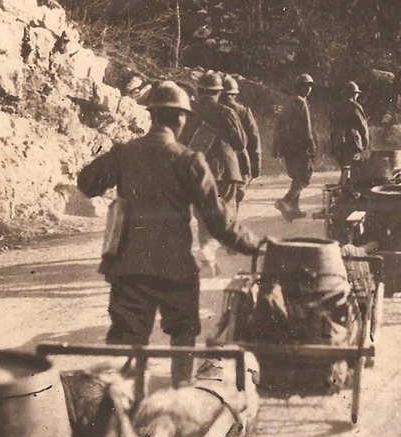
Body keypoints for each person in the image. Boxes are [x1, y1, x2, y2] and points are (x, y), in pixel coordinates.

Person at [77, 82, 262, 386]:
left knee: (129, 341)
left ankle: (128, 402)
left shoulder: (125, 153)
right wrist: (255, 244)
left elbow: (87, 183)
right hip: (174, 269)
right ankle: (180, 392)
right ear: (179, 118)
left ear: (152, 115)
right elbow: (218, 223)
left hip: (128, 268)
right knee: (183, 333)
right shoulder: (189, 160)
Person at [185, 71, 248, 271]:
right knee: (226, 213)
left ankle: (208, 256)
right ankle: (215, 250)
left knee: (203, 215)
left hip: (196, 171)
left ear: (200, 90)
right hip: (225, 171)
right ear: (218, 92)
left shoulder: (187, 113)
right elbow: (240, 143)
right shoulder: (226, 112)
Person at [274, 73, 317, 220]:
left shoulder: (289, 101)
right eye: (306, 86)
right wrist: (311, 145)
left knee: (296, 176)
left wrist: (277, 146)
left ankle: (294, 210)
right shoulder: (301, 102)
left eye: (310, 86)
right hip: (300, 146)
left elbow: (278, 125)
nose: (309, 89)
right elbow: (306, 128)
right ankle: (285, 201)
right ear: (300, 87)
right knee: (304, 177)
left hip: (288, 147)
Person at [220, 75, 261, 205]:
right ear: (235, 94)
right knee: (234, 201)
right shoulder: (243, 111)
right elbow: (254, 140)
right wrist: (255, 168)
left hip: (216, 165)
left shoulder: (212, 111)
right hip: (239, 162)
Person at [329, 80, 371, 173]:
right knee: (352, 167)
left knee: (344, 166)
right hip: (352, 141)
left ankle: (343, 182)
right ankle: (346, 184)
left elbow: (331, 125)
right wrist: (365, 142)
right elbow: (362, 125)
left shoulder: (336, 106)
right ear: (353, 94)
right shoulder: (355, 106)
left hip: (338, 141)